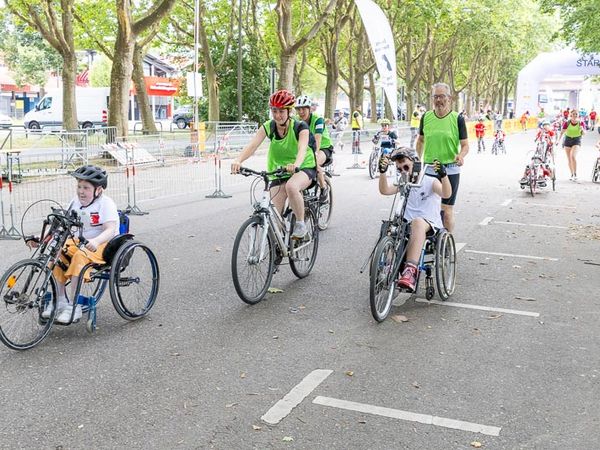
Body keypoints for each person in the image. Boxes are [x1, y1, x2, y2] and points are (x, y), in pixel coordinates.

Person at [25, 165, 119, 323]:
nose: (81, 191)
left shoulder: (106, 204)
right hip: (79, 241)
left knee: (80, 257)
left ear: (99, 190)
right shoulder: (75, 201)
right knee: (57, 253)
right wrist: (40, 237)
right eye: (79, 186)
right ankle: (60, 300)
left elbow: (111, 229)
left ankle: (73, 307)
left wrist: (95, 241)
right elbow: (63, 225)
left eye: (86, 188)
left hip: (102, 243)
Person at [231, 89, 316, 238]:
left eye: (281, 111)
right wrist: (238, 160)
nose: (277, 115)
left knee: (291, 186)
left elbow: (302, 149)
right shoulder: (269, 126)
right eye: (274, 111)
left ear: (289, 111)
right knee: (273, 214)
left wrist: (295, 164)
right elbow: (252, 145)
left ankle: (301, 225)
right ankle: (278, 246)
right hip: (279, 170)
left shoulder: (300, 127)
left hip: (303, 167)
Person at [377, 149, 452, 291]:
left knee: (417, 222)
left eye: (405, 166)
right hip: (406, 223)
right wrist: (382, 172)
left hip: (428, 223)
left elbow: (446, 193)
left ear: (415, 163)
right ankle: (388, 266)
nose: (403, 171)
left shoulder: (430, 181)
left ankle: (410, 271)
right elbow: (385, 190)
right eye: (399, 169)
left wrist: (444, 175)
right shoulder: (403, 183)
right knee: (391, 227)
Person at [416, 82, 469, 233]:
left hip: (449, 169)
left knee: (446, 211)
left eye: (442, 96)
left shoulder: (457, 118)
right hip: (429, 169)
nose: (439, 100)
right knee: (426, 209)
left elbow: (465, 145)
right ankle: (428, 242)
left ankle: (447, 242)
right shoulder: (426, 117)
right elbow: (420, 141)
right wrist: (418, 162)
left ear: (449, 98)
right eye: (435, 97)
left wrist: (461, 155)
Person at [295, 94, 333, 201]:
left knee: (314, 162)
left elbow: (318, 138)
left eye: (304, 109)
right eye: (299, 109)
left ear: (309, 109)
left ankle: (323, 187)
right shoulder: (297, 121)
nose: (301, 112)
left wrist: (315, 153)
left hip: (323, 148)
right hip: (308, 148)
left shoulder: (318, 120)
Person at [559, 109, 585, 181]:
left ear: (578, 115)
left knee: (573, 156)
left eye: (576, 114)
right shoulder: (567, 123)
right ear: (571, 115)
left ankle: (575, 173)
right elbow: (562, 132)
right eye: (573, 114)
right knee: (569, 159)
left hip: (576, 140)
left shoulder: (581, 123)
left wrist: (582, 130)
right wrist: (558, 140)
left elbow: (584, 134)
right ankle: (572, 174)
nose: (575, 115)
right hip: (567, 140)